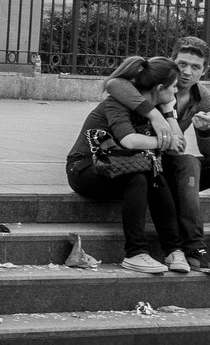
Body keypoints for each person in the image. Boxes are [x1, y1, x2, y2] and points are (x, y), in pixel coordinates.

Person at [105, 38, 210, 273]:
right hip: (146, 164)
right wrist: (155, 115)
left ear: (205, 70)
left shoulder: (202, 97)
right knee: (188, 161)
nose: (186, 72)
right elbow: (113, 85)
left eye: (195, 67)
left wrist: (207, 130)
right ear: (172, 61)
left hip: (170, 164)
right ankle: (194, 248)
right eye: (182, 64)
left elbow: (209, 151)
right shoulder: (154, 83)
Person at [65, 56, 184, 274]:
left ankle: (174, 249)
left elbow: (179, 145)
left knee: (154, 175)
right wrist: (163, 141)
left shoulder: (157, 109)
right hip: (84, 168)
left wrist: (169, 113)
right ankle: (135, 253)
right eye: (174, 87)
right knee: (138, 177)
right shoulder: (117, 103)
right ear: (160, 88)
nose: (176, 92)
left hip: (119, 167)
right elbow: (129, 140)